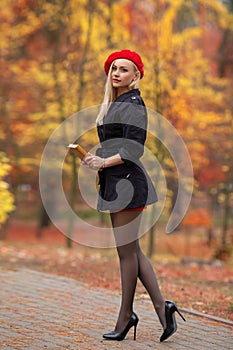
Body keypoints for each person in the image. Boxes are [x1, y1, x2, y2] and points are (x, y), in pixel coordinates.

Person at [82, 49, 185, 342]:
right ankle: (162, 309)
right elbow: (118, 145)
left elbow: (133, 149)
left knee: (127, 253)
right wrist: (96, 159)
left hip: (128, 184)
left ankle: (126, 317)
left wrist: (103, 162)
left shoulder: (133, 104)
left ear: (136, 75)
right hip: (117, 184)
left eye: (124, 69)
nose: (117, 73)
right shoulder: (118, 103)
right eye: (114, 68)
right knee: (132, 251)